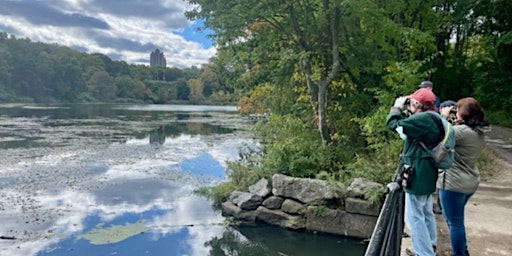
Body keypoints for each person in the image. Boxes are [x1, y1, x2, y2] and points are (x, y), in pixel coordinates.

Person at [386, 88, 442, 256]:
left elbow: (392, 123)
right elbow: (408, 130)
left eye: (412, 102)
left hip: (417, 171)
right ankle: (430, 244)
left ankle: (424, 253)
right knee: (425, 211)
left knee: (414, 216)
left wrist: (396, 108)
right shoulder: (433, 117)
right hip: (427, 170)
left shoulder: (423, 118)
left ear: (418, 104)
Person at [437, 97, 488, 256]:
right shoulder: (478, 133)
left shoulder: (460, 132)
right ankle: (463, 251)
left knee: (455, 222)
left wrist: (443, 117)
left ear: (464, 114)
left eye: (457, 110)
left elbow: (440, 136)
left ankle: (458, 253)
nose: (455, 113)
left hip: (454, 183)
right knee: (454, 219)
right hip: (468, 181)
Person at [433, 100, 458, 215]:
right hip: (451, 160)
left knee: (443, 180)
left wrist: (444, 116)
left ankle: (441, 205)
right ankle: (441, 204)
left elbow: (445, 134)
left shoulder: (454, 125)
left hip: (448, 160)